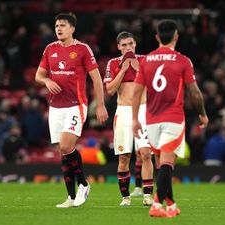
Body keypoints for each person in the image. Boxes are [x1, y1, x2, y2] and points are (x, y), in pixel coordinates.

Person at [132, 19, 208, 217]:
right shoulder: (183, 60)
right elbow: (195, 92)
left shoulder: (146, 60)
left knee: (161, 164)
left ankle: (172, 205)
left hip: (151, 120)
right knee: (167, 164)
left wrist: (134, 119)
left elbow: (136, 92)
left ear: (157, 37)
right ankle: (157, 205)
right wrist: (202, 113)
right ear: (176, 36)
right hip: (173, 118)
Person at [35, 12, 108, 208]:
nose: (58, 28)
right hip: (55, 106)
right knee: (62, 151)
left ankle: (83, 185)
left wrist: (100, 105)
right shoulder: (50, 49)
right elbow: (38, 75)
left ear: (72, 29)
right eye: (57, 25)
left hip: (76, 105)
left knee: (67, 146)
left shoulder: (83, 49)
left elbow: (96, 79)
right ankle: (71, 197)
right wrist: (47, 80)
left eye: (63, 25)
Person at [104, 32, 154, 206]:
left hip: (143, 110)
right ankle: (125, 197)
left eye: (131, 44)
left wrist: (138, 69)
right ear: (118, 47)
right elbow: (109, 90)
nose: (128, 48)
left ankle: (147, 195)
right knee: (124, 157)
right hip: (124, 111)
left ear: (135, 44)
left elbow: (155, 85)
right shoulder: (113, 63)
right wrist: (123, 70)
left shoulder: (146, 60)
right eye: (124, 45)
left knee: (146, 153)